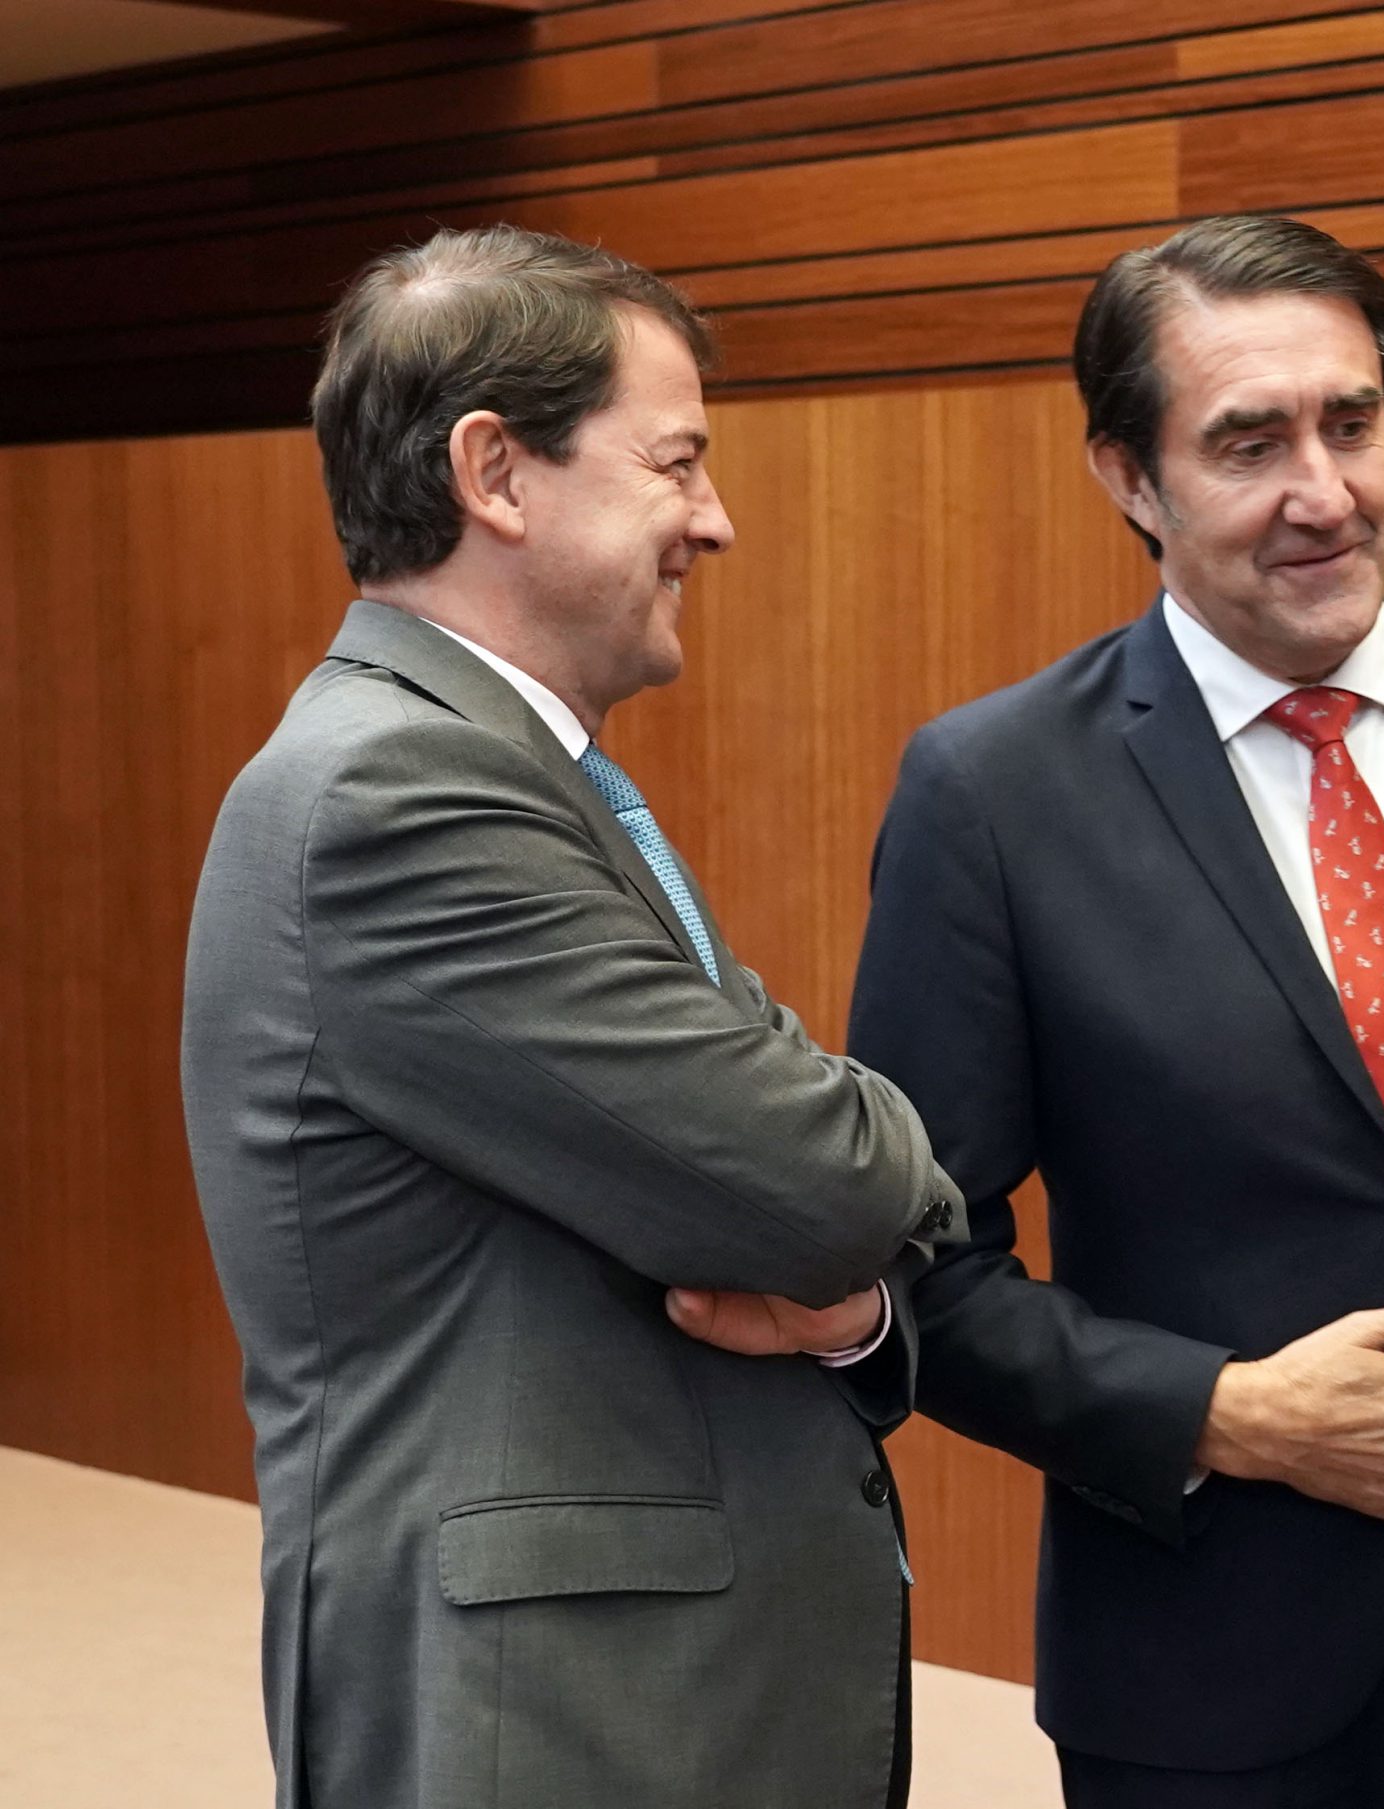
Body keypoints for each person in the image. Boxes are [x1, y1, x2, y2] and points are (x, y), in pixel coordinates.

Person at [679, 215, 1384, 1803]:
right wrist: (1234, 1413)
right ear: (1129, 479)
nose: (1324, 493)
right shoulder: (995, 793)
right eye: (1248, 442)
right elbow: (917, 1251)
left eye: (1353, 423)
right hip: (1213, 1673)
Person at [180, 224, 960, 1809]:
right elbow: (831, 1183)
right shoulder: (405, 794)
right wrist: (871, 1150)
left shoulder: (503, 771)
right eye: (676, 462)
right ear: (498, 473)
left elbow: (784, 1160)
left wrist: (835, 1213)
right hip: (559, 1722)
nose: (715, 521)